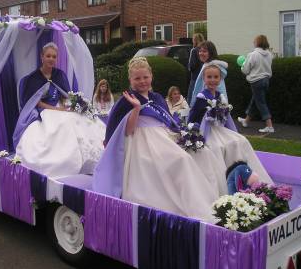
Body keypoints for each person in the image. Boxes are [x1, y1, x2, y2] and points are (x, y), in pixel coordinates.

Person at [93, 57, 227, 223]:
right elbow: (127, 131)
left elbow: (169, 122)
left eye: (145, 77)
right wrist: (136, 108)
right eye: (137, 78)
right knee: (182, 160)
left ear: (151, 76)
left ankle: (213, 201)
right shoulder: (126, 100)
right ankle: (195, 209)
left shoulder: (157, 97)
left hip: (165, 137)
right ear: (130, 80)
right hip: (143, 143)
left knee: (203, 153)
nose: (142, 81)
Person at [13, 42, 105, 179]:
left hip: (61, 107)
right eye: (48, 56)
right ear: (42, 57)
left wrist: (71, 107)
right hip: (45, 109)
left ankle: (91, 160)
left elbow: (66, 95)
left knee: (81, 118)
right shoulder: (33, 78)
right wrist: (58, 110)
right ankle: (64, 162)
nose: (51, 59)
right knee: (62, 123)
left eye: (54, 56)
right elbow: (36, 102)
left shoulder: (60, 74)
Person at [188, 64, 273, 184]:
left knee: (240, 140)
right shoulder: (202, 97)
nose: (212, 80)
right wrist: (193, 130)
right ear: (204, 78)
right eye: (209, 77)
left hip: (219, 129)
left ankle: (246, 174)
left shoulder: (219, 96)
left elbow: (225, 117)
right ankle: (222, 179)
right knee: (217, 148)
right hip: (207, 131)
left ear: (220, 79)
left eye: (216, 77)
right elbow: (194, 114)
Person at [238, 35, 274, 133]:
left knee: (261, 103)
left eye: (254, 41)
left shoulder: (253, 54)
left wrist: (242, 66)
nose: (253, 42)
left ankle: (270, 126)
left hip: (256, 81)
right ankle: (246, 121)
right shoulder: (270, 54)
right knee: (255, 101)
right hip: (266, 81)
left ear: (257, 43)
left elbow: (245, 70)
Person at [190, 41, 228, 106]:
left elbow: (219, 88)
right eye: (200, 51)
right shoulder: (208, 65)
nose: (201, 53)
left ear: (211, 53)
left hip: (210, 104)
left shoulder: (211, 67)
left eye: (204, 51)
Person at [187, 33, 204, 104]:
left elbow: (192, 66)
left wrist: (188, 67)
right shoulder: (204, 50)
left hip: (195, 77)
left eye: (193, 40)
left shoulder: (194, 50)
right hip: (203, 77)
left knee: (191, 98)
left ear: (195, 40)